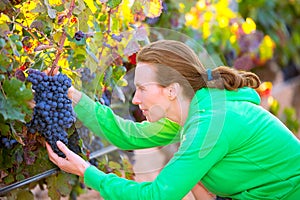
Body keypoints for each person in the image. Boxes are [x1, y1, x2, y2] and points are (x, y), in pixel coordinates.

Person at [46, 40, 300, 199]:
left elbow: (158, 195)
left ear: (172, 90)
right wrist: (72, 96)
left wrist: (86, 172)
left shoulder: (211, 123)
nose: (135, 100)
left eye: (142, 88)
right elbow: (126, 134)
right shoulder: (188, 111)